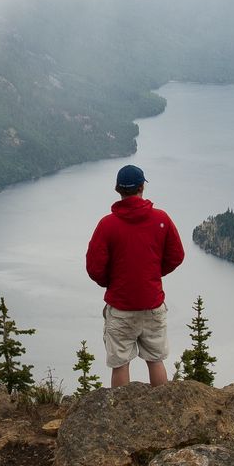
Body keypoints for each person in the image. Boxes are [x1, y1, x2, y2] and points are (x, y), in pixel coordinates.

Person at [86, 164, 184, 388]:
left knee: (120, 363)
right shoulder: (161, 219)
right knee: (155, 359)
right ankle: (162, 411)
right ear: (142, 187)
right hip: (152, 304)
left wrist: (111, 282)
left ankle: (120, 417)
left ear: (117, 189)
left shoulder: (107, 225)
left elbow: (94, 267)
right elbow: (176, 256)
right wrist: (153, 275)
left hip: (121, 307)